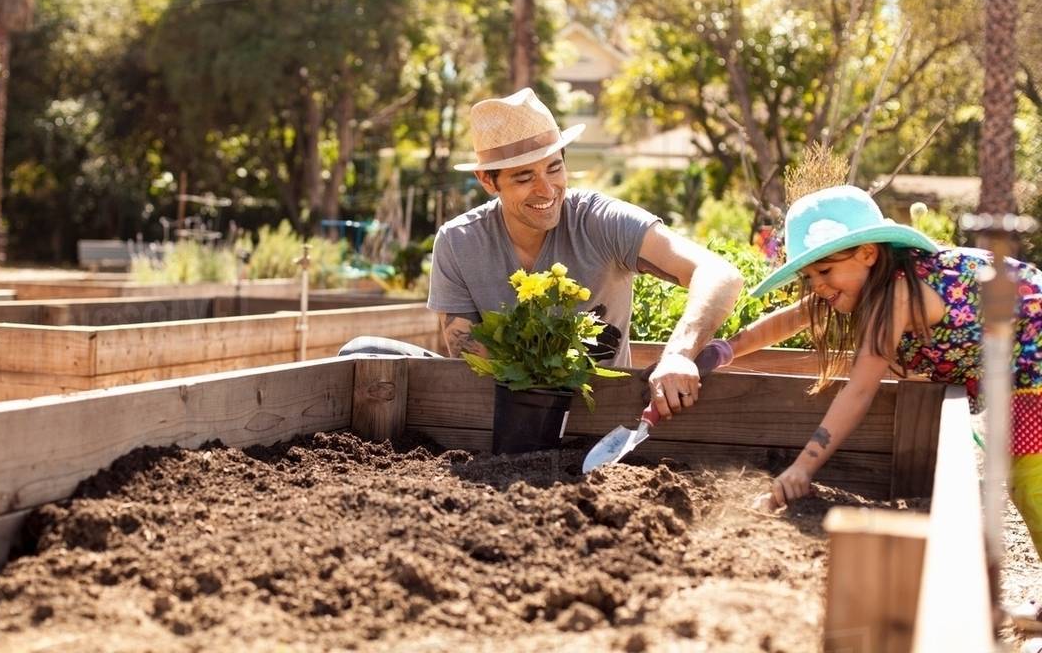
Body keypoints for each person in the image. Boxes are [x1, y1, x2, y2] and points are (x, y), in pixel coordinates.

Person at [723, 185, 1042, 608]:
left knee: (1030, 479)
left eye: (825, 271)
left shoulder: (897, 295)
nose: (817, 286)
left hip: (1033, 359)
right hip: (1018, 366)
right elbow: (788, 322)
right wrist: (718, 353)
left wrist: (801, 469)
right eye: (810, 277)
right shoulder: (880, 280)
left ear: (868, 254)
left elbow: (859, 391)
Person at [422, 87, 743, 416]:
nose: (546, 190)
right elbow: (474, 367)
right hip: (509, 428)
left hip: (607, 419)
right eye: (524, 177)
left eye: (554, 168)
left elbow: (720, 275)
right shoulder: (459, 243)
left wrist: (678, 353)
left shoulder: (600, 221)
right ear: (488, 181)